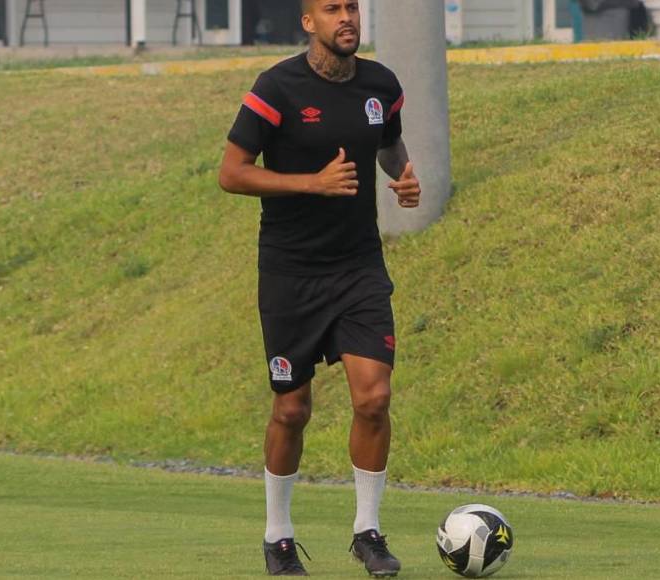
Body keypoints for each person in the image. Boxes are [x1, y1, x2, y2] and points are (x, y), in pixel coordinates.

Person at [217, 1, 420, 575]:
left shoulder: (382, 85)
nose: (347, 17)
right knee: (292, 409)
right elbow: (232, 172)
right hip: (291, 273)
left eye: (352, 6)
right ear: (309, 22)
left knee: (374, 399)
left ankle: (368, 531)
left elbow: (386, 143)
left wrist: (402, 178)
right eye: (332, 9)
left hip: (358, 268)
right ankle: (278, 536)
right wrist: (311, 183)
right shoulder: (275, 88)